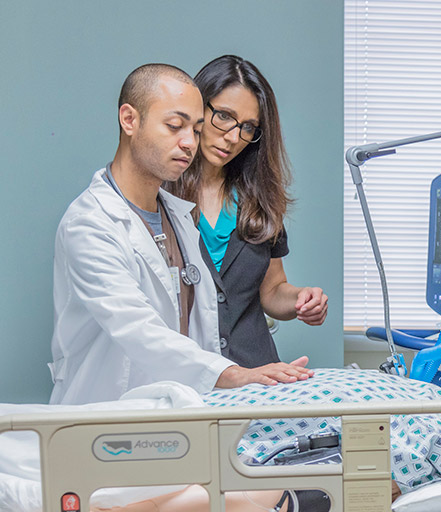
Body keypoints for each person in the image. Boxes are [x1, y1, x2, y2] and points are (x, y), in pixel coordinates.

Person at [49, 63, 313, 407]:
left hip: (178, 414)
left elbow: (202, 329)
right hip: (105, 413)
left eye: (195, 128)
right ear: (129, 120)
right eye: (175, 126)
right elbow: (139, 330)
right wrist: (232, 374)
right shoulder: (90, 224)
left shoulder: (179, 218)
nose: (189, 142)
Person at [164, 55, 328, 371]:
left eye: (248, 127)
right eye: (224, 116)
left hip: (257, 372)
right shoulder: (159, 194)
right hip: (186, 376)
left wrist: (301, 300)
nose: (234, 137)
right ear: (198, 108)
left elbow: (272, 291)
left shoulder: (259, 198)